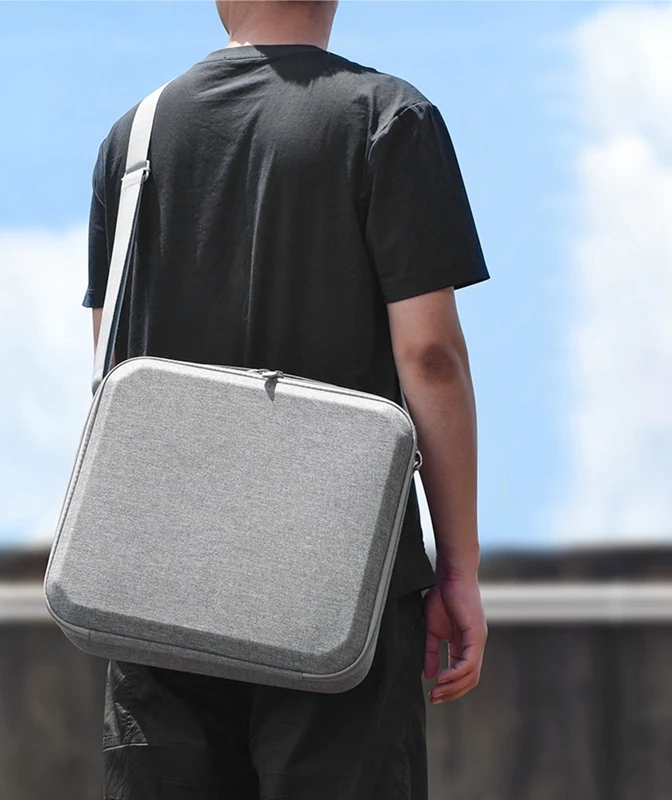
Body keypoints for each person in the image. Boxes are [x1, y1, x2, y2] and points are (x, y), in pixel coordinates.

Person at [84, 2, 489, 798]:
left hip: (158, 580)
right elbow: (431, 357)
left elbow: (113, 372)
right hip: (341, 583)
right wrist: (459, 571)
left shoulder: (132, 140)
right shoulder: (388, 119)